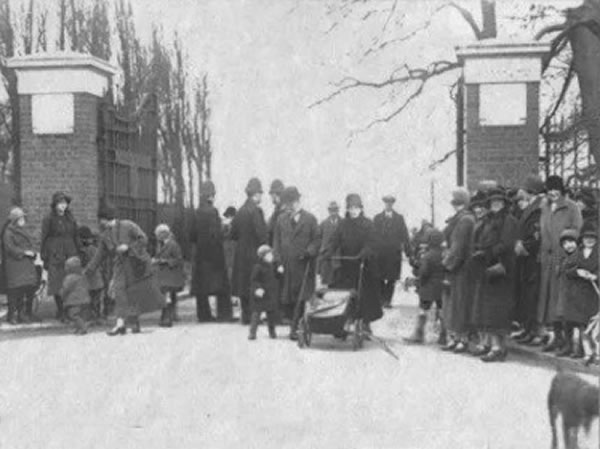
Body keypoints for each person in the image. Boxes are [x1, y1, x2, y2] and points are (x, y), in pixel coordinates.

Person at [85, 202, 164, 336]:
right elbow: (99, 255)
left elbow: (143, 239)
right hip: (120, 266)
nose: (101, 222)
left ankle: (134, 322)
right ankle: (120, 324)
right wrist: (88, 271)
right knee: (120, 292)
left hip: (134, 264)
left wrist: (128, 247)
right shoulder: (104, 235)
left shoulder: (128, 225)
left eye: (101, 219)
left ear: (106, 217)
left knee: (133, 293)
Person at [470, 188, 518, 362]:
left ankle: (499, 348)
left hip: (502, 269)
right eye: (492, 202)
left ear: (504, 203)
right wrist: (480, 251)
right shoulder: (488, 221)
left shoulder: (509, 221)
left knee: (498, 311)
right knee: (488, 310)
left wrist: (486, 253)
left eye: (499, 201)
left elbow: (506, 244)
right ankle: (492, 345)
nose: (495, 204)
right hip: (488, 269)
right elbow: (481, 240)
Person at [324, 193, 383, 333]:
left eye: (356, 207)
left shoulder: (368, 223)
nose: (353, 210)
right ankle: (342, 321)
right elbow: (334, 240)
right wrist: (328, 252)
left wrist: (365, 252)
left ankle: (366, 323)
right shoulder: (343, 224)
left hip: (364, 264)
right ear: (347, 209)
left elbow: (372, 241)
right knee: (343, 293)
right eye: (351, 208)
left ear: (361, 208)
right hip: (348, 264)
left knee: (365, 294)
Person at [538, 175, 583, 350]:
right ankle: (556, 337)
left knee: (562, 302)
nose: (552, 193)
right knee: (549, 301)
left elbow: (576, 231)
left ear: (562, 190)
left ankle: (568, 340)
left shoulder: (571, 208)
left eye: (555, 189)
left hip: (564, 258)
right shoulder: (546, 207)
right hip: (548, 261)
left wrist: (565, 248)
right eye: (549, 190)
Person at [273, 186, 320, 340]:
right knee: (289, 297)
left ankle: (297, 328)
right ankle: (294, 326)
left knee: (301, 297)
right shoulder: (281, 219)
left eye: (291, 204)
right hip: (287, 266)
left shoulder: (310, 219)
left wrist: (309, 252)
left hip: (303, 266)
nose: (288, 207)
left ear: (298, 202)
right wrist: (278, 261)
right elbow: (276, 243)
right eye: (286, 205)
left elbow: (317, 240)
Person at [190, 181, 234, 323]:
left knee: (201, 288)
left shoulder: (196, 212)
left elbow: (192, 235)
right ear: (210, 195)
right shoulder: (213, 211)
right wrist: (225, 228)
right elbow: (216, 234)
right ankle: (224, 314)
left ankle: (203, 315)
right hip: (214, 256)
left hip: (201, 255)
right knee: (222, 287)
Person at [441, 188, 475, 353]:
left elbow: (458, 247)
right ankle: (456, 337)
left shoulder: (464, 220)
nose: (454, 204)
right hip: (458, 266)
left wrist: (446, 264)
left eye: (456, 201)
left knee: (459, 304)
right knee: (455, 304)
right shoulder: (460, 219)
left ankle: (462, 338)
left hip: (461, 268)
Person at [512, 175, 545, 344]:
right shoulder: (531, 207)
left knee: (533, 294)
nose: (521, 193)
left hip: (533, 258)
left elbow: (537, 234)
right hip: (526, 258)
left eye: (525, 190)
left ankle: (535, 332)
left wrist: (524, 246)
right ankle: (529, 330)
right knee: (527, 294)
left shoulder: (538, 207)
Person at [231, 178, 268, 324]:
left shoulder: (240, 211)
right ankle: (253, 317)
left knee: (243, 285)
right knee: (255, 284)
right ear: (256, 194)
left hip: (241, 255)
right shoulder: (256, 211)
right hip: (254, 254)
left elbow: (232, 234)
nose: (261, 197)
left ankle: (245, 316)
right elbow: (262, 235)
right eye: (260, 193)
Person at [558, 225, 598, 358]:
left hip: (590, 294)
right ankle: (572, 348)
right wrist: (577, 272)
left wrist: (595, 276)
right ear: (582, 240)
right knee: (570, 321)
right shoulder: (576, 253)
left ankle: (585, 351)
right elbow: (567, 270)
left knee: (585, 323)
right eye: (587, 238)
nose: (589, 241)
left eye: (592, 238)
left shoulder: (597, 254)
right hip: (574, 294)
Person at [41, 192, 79, 321]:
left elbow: (76, 235)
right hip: (55, 253)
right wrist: (44, 256)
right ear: (55, 204)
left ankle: (69, 311)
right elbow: (44, 238)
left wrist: (78, 252)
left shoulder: (70, 218)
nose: (63, 206)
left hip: (70, 252)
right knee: (58, 283)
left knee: (70, 282)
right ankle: (61, 311)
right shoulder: (49, 218)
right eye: (60, 204)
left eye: (65, 204)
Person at [404, 228, 445, 344]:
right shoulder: (444, 253)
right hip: (441, 287)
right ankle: (444, 336)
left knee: (423, 310)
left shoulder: (428, 255)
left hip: (428, 287)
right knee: (441, 310)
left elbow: (424, 273)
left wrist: (419, 279)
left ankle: (418, 334)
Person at [373, 195, 411, 309]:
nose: (388, 205)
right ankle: (380, 300)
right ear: (384, 204)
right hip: (380, 254)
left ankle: (387, 300)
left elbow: (405, 235)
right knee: (379, 277)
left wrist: (408, 252)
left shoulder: (399, 218)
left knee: (391, 278)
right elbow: (372, 235)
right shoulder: (377, 218)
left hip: (393, 253)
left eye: (390, 203)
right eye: (386, 203)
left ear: (392, 204)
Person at [3, 207, 40, 324]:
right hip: (15, 265)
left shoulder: (24, 231)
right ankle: (12, 315)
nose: (23, 219)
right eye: (21, 218)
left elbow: (31, 243)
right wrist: (24, 252)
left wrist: (33, 252)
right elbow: (10, 248)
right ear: (15, 220)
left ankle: (25, 313)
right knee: (15, 291)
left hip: (26, 264)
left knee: (29, 288)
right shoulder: (8, 233)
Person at [153, 224, 185, 327]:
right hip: (165, 276)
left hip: (170, 276)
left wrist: (163, 261)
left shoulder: (172, 245)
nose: (157, 237)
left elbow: (178, 259)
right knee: (166, 297)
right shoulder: (162, 244)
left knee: (167, 297)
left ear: (164, 234)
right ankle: (166, 317)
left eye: (158, 234)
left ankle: (167, 318)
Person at [249, 245, 279, 340]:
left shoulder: (272, 266)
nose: (271, 256)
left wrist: (279, 271)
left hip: (269, 294)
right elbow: (254, 280)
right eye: (269, 255)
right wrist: (257, 288)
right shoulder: (258, 267)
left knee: (271, 315)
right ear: (263, 256)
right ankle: (252, 332)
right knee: (256, 314)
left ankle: (272, 331)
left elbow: (276, 277)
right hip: (261, 294)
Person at [78, 226, 105, 323]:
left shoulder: (90, 250)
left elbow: (91, 264)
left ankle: (94, 317)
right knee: (95, 301)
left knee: (93, 300)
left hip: (92, 281)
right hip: (95, 281)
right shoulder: (93, 248)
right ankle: (96, 317)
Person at [60, 256, 91, 335]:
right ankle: (78, 328)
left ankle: (83, 328)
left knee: (73, 315)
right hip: (85, 300)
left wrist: (62, 295)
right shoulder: (82, 276)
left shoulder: (69, 278)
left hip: (74, 301)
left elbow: (66, 289)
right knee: (81, 316)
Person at [317, 201, 342, 287]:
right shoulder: (324, 224)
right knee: (327, 283)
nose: (333, 212)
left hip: (340, 257)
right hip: (327, 258)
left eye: (335, 210)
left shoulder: (343, 223)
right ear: (329, 211)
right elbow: (318, 239)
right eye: (331, 210)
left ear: (338, 210)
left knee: (339, 283)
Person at [267, 179, 285, 246]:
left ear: (275, 194)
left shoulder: (281, 211)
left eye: (271, 194)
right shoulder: (278, 210)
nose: (271, 197)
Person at [223, 206, 237, 284]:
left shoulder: (225, 223)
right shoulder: (230, 224)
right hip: (231, 246)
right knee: (230, 266)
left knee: (229, 266)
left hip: (227, 246)